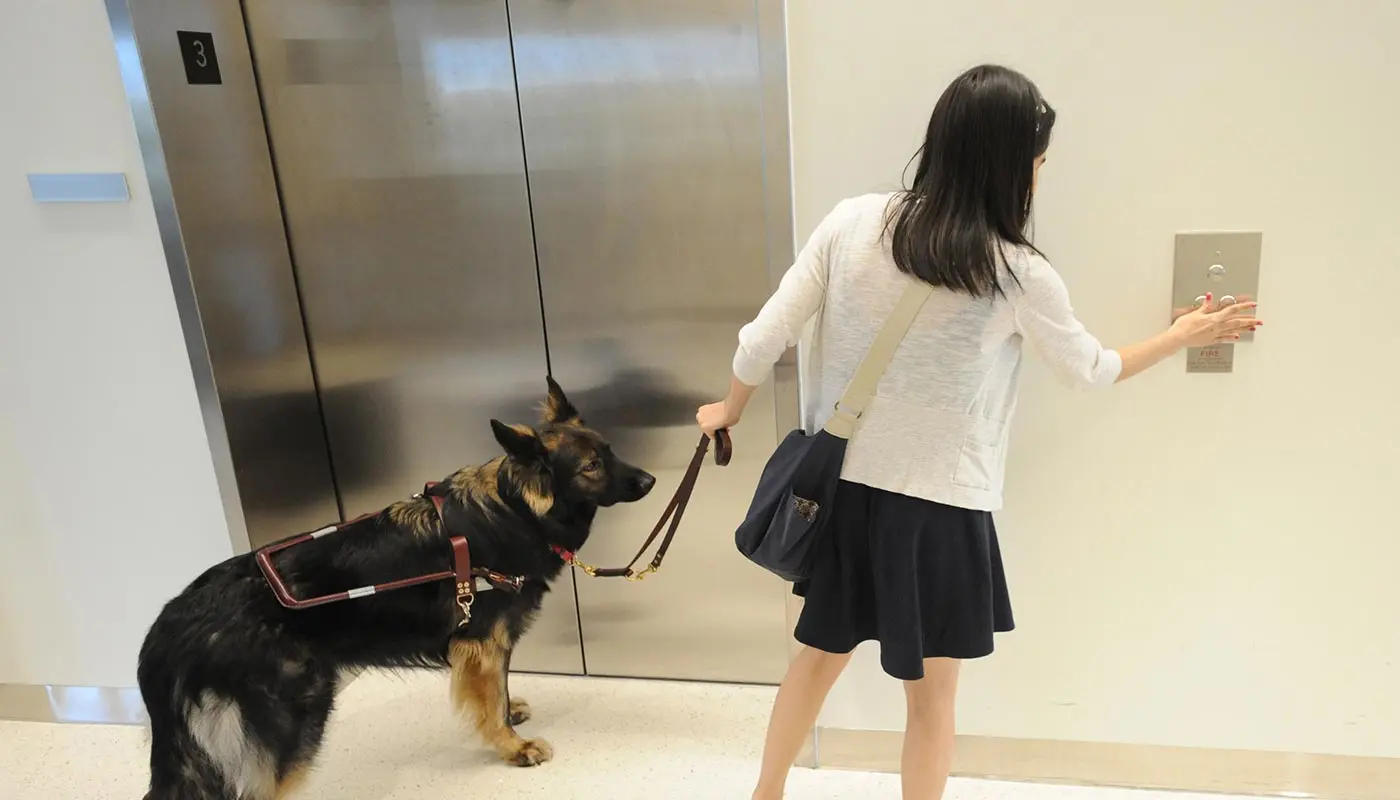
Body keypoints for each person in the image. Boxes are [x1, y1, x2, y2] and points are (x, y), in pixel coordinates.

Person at [697, 64, 1261, 800]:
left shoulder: (851, 222)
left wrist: (730, 409)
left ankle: (765, 793)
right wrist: (1180, 335)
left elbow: (761, 339)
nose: (1039, 176)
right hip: (939, 511)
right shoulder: (1016, 272)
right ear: (1011, 166)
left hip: (844, 498)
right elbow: (1091, 370)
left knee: (815, 660)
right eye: (1039, 162)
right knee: (931, 703)